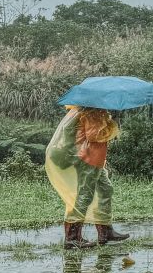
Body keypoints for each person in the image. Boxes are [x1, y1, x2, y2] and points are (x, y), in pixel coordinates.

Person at [45, 106, 129, 248]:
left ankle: (105, 232)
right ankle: (72, 238)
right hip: (88, 159)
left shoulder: (90, 110)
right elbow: (93, 135)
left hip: (95, 159)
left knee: (105, 190)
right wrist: (111, 128)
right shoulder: (91, 111)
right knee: (84, 195)